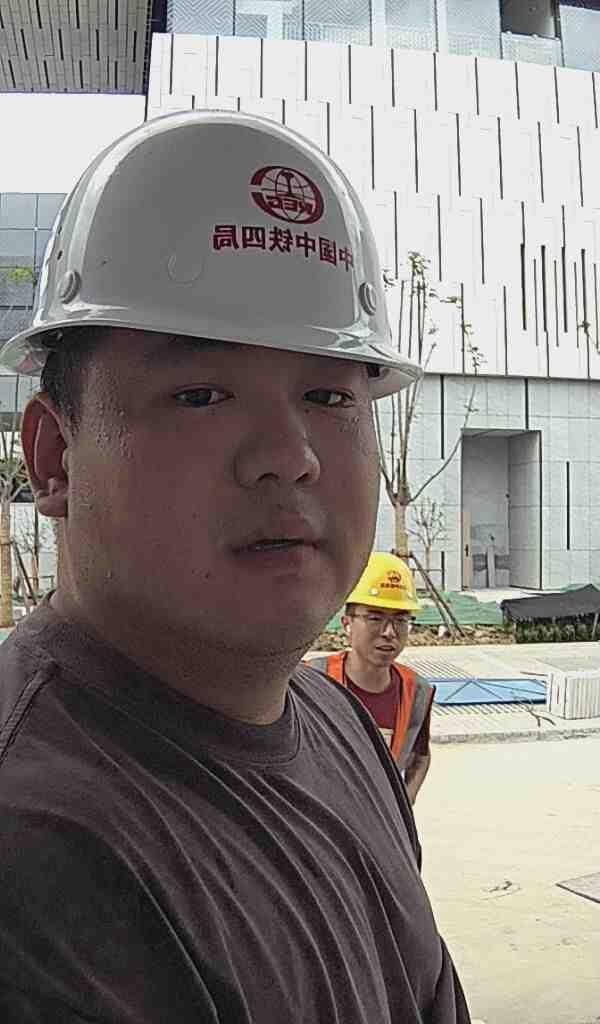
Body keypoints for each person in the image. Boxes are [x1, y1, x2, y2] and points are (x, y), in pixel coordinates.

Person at [0, 111, 471, 1022]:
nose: (290, 456)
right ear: (55, 458)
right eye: (202, 394)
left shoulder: (338, 726)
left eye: (328, 394)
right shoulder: (33, 844)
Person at [308, 552, 434, 804]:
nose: (389, 632)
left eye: (400, 620)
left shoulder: (416, 691)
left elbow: (420, 756)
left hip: (381, 821)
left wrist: (403, 807)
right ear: (347, 624)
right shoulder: (311, 682)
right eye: (375, 618)